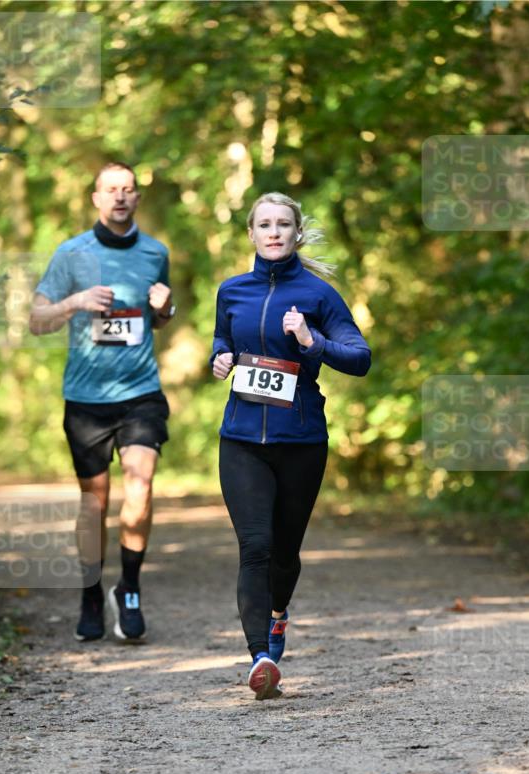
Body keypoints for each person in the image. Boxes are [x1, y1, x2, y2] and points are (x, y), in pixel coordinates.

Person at [211, 192, 371, 700]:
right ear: (251, 234)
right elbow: (222, 340)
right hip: (241, 439)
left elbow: (360, 357)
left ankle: (278, 617)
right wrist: (219, 358)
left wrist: (310, 342)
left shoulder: (318, 296)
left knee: (284, 552)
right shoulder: (231, 291)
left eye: (283, 224)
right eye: (264, 224)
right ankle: (260, 655)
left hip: (301, 441)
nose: (274, 232)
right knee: (254, 547)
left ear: (296, 233)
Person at [29, 162, 175, 643]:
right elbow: (37, 320)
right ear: (95, 198)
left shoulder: (156, 252)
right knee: (94, 505)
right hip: (87, 400)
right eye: (111, 190)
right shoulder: (71, 254)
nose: (120, 197)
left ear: (137, 198)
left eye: (128, 190)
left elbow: (158, 321)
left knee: (141, 484)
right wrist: (75, 302)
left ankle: (128, 588)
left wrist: (164, 310)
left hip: (141, 395)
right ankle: (91, 591)